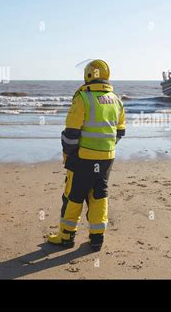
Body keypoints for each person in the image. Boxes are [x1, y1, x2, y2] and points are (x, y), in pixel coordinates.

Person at [47, 60, 125, 251]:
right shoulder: (116, 99)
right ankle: (97, 238)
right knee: (99, 195)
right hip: (107, 158)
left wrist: (69, 154)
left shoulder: (83, 97)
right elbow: (120, 132)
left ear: (88, 75)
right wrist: (104, 148)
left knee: (73, 196)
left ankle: (66, 237)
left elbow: (71, 134)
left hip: (82, 158)